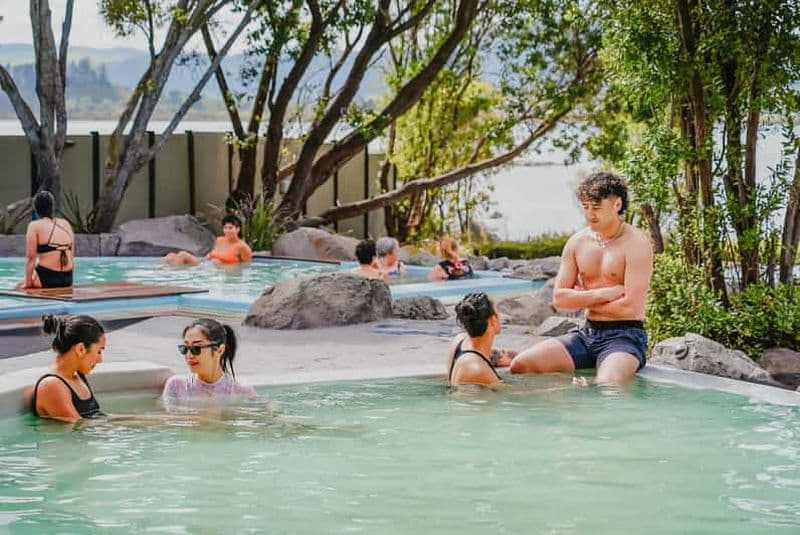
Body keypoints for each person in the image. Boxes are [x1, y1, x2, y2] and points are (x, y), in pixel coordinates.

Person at [509, 172, 654, 385]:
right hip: (586, 333)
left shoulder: (636, 243)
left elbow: (631, 307)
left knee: (608, 385)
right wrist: (604, 294)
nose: (589, 214)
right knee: (521, 365)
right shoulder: (577, 242)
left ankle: (593, 384)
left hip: (625, 336)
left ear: (617, 204)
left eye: (596, 208)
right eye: (586, 207)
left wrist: (580, 299)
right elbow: (559, 300)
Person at [162, 318, 256, 406]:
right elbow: (165, 419)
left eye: (196, 348)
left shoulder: (241, 392)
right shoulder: (176, 385)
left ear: (219, 350)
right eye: (185, 348)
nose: (189, 355)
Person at [30, 314, 105, 422]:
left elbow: (97, 418)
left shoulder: (78, 376)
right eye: (99, 351)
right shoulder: (52, 385)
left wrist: (133, 421)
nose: (100, 360)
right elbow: (79, 426)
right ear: (81, 349)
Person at [447, 292, 503, 386]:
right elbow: (508, 393)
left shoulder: (459, 341)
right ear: (493, 320)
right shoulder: (476, 369)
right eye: (498, 312)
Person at [21, 191, 74, 288]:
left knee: (18, 286)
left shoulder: (34, 225)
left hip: (47, 278)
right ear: (52, 207)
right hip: (67, 278)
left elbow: (30, 258)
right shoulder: (65, 223)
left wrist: (27, 284)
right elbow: (71, 255)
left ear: (36, 209)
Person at [164, 214, 252, 266]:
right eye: (225, 228)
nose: (227, 231)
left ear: (238, 229)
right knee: (170, 256)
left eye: (230, 228)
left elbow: (246, 266)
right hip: (206, 264)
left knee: (183, 255)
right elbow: (212, 254)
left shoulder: (242, 247)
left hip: (213, 269)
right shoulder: (219, 240)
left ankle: (174, 281)